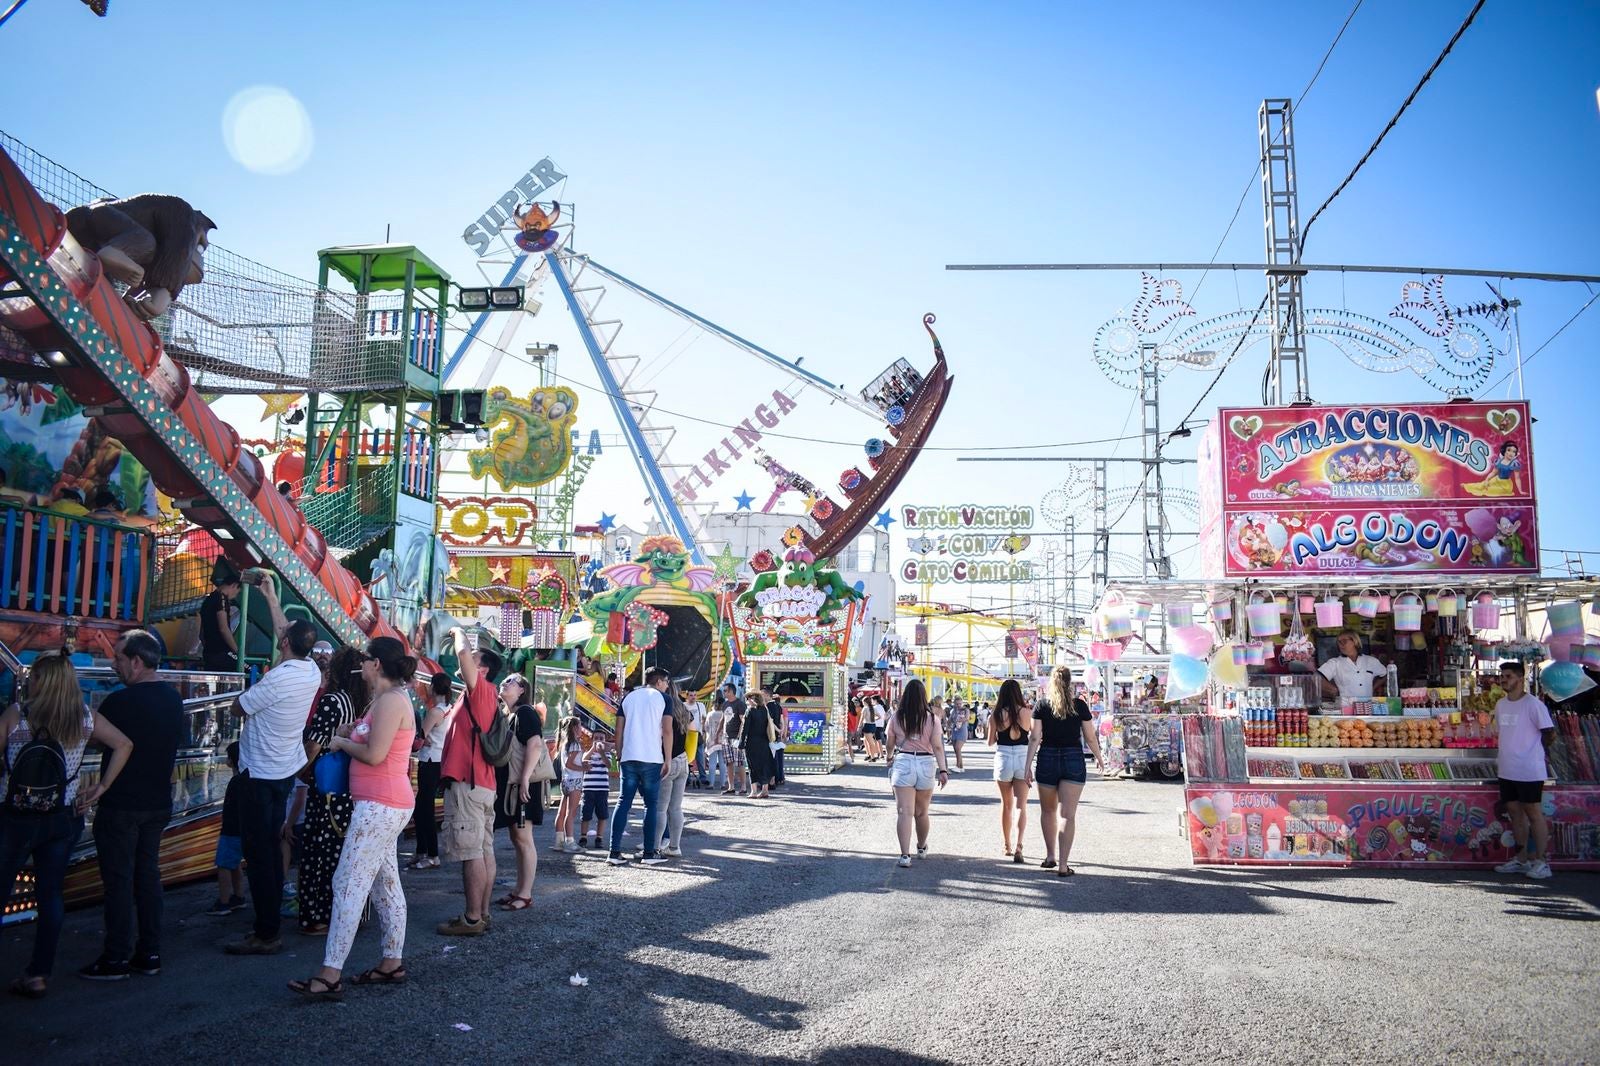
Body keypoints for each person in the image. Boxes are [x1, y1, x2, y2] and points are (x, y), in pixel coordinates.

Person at [288, 637, 416, 999]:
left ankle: (330, 974)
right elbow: (376, 743)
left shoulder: (391, 700)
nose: (362, 666)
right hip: (381, 802)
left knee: (347, 883)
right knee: (384, 885)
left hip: (381, 804)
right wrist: (347, 733)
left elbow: (375, 755)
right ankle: (391, 961)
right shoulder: (386, 699)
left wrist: (341, 742)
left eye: (366, 660)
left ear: (376, 664)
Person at [0, 653, 133, 998]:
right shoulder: (85, 718)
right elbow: (124, 744)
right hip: (62, 817)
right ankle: (38, 973)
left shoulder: (18, 715)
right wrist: (101, 787)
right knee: (51, 894)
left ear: (41, 681)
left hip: (16, 817)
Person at [80, 629, 184, 981]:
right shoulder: (173, 699)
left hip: (122, 803)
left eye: (120, 658)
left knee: (119, 882)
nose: (115, 664)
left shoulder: (119, 703)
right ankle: (149, 951)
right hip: (157, 803)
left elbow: (92, 741)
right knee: (148, 877)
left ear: (137, 662)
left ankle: (115, 957)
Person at [224, 579, 319, 955]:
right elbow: (287, 633)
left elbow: (238, 707)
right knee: (270, 847)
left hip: (261, 775)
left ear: (284, 646)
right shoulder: (309, 670)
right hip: (282, 770)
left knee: (260, 854)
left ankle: (266, 932)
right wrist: (269, 595)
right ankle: (271, 918)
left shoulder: (279, 678)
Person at [296, 644, 367, 936]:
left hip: (325, 788)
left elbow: (314, 742)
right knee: (343, 854)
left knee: (318, 852)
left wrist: (300, 769)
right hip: (349, 786)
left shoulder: (332, 700)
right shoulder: (360, 702)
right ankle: (349, 913)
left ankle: (318, 916)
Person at [436, 627, 502, 937]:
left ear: (483, 668)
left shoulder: (481, 690)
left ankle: (472, 917)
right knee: (483, 849)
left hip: (469, 782)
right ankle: (482, 913)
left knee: (472, 852)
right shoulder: (483, 695)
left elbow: (462, 652)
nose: (466, 663)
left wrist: (458, 631)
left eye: (474, 660)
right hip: (482, 784)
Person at [1029, 666, 1103, 877]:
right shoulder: (1079, 705)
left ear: (1050, 682)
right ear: (1071, 683)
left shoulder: (1041, 705)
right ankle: (1063, 865)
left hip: (1047, 757)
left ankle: (1050, 856)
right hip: (1073, 758)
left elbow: (1034, 738)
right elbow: (1090, 737)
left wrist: (1027, 766)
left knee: (1048, 811)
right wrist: (1100, 758)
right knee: (1067, 815)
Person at [1492, 662, 1556, 880]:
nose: (1503, 680)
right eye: (1502, 676)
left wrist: (1535, 753)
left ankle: (1541, 861)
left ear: (1520, 678)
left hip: (1529, 769)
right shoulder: (1500, 705)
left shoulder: (1533, 705)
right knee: (1515, 813)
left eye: (1508, 676)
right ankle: (1521, 859)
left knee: (1533, 813)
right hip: (1507, 768)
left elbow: (1549, 733)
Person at [608, 667, 672, 866]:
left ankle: (614, 851)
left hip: (629, 756)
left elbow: (618, 730)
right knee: (650, 805)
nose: (667, 686)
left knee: (623, 802)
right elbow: (667, 731)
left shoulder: (628, 698)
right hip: (652, 757)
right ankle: (649, 853)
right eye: (667, 683)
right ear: (660, 681)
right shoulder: (663, 699)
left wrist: (619, 754)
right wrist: (668, 759)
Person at [884, 679, 949, 868]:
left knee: (904, 812)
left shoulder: (896, 717)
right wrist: (943, 770)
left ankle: (905, 856)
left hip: (903, 762)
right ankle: (921, 847)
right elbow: (937, 746)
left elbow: (890, 743)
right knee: (921, 812)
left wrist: (889, 757)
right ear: (923, 697)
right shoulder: (931, 719)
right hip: (926, 763)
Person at [493, 677, 541, 911]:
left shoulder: (525, 713)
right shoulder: (510, 714)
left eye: (511, 681)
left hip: (523, 785)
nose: (505, 682)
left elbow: (535, 745)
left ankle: (525, 893)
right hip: (515, 784)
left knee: (523, 838)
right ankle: (519, 890)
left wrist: (524, 779)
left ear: (522, 690)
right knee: (517, 837)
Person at [409, 672, 453, 870]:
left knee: (424, 809)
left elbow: (420, 738)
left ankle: (432, 854)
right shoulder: (450, 709)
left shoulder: (435, 712)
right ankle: (422, 851)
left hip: (429, 761)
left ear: (433, 688)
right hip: (439, 760)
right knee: (422, 808)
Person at [990, 679, 1033, 863]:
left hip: (1004, 757)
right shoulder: (1027, 712)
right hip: (1023, 758)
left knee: (1006, 805)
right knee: (1021, 805)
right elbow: (1036, 736)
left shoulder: (997, 714)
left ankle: (1007, 844)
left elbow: (990, 741)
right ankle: (1019, 846)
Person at [206, 742, 247, 916]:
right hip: (242, 830)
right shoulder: (246, 780)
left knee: (223, 865)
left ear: (231, 760)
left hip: (230, 830)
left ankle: (223, 901)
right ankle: (238, 896)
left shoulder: (235, 782)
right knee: (235, 864)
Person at [657, 687, 693, 857]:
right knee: (676, 808)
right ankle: (674, 846)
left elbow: (664, 733)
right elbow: (694, 730)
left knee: (660, 808)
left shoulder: (663, 707)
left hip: (667, 761)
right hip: (683, 760)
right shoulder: (684, 710)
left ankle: (654, 847)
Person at [1318, 631, 1387, 702]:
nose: (1341, 645)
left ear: (1355, 641)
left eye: (1344, 641)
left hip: (1367, 706)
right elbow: (1316, 677)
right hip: (1346, 707)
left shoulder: (1371, 661)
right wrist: (1333, 690)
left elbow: (1385, 674)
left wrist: (1374, 687)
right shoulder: (1335, 662)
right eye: (1339, 642)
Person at [199, 566, 242, 673]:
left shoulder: (208, 600)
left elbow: (201, 634)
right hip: (222, 653)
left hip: (209, 653)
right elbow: (224, 628)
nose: (235, 596)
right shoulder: (222, 598)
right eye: (237, 592)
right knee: (249, 668)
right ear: (234, 585)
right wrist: (238, 652)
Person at [578, 735, 611, 849]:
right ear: (592, 740)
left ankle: (599, 837)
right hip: (588, 788)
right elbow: (583, 761)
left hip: (602, 789)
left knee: (602, 815)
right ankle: (583, 837)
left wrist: (602, 752)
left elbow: (609, 765)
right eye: (596, 738)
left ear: (605, 741)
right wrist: (593, 749)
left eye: (601, 738)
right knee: (586, 814)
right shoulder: (588, 753)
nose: (599, 740)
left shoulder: (606, 754)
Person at [741, 687, 774, 799]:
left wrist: (741, 743)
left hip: (751, 742)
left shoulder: (750, 710)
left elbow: (745, 729)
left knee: (752, 767)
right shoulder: (764, 710)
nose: (747, 700)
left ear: (752, 699)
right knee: (764, 765)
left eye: (747, 698)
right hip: (764, 741)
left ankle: (754, 791)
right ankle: (765, 790)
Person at [721, 683, 748, 796]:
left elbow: (743, 721)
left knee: (739, 762)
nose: (724, 692)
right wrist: (719, 733)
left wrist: (740, 736)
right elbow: (723, 719)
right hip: (726, 737)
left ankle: (743, 786)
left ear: (731, 691)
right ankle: (731, 786)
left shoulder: (740, 704)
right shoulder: (725, 704)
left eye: (725, 690)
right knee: (728, 762)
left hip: (736, 737)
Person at [685, 686, 708, 789]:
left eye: (695, 695)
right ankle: (687, 777)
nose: (693, 697)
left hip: (698, 734)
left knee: (700, 756)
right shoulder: (683, 706)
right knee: (686, 758)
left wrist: (704, 731)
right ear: (687, 696)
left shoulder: (701, 705)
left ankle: (703, 776)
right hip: (686, 734)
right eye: (691, 695)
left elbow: (704, 719)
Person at [767, 692, 788, 789]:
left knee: (772, 758)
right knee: (778, 758)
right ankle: (779, 778)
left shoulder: (767, 707)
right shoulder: (781, 708)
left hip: (771, 735)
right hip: (778, 736)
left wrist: (779, 730)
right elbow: (784, 721)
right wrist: (782, 731)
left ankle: (772, 780)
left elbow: (770, 721)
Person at [947, 695, 969, 772]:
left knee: (957, 748)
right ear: (954, 704)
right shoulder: (953, 711)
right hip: (954, 731)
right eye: (957, 704)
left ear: (962, 703)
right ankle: (961, 766)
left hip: (962, 731)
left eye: (960, 704)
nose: (958, 705)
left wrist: (960, 719)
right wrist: (948, 725)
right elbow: (949, 719)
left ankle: (957, 766)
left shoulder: (965, 710)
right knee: (956, 750)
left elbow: (967, 718)